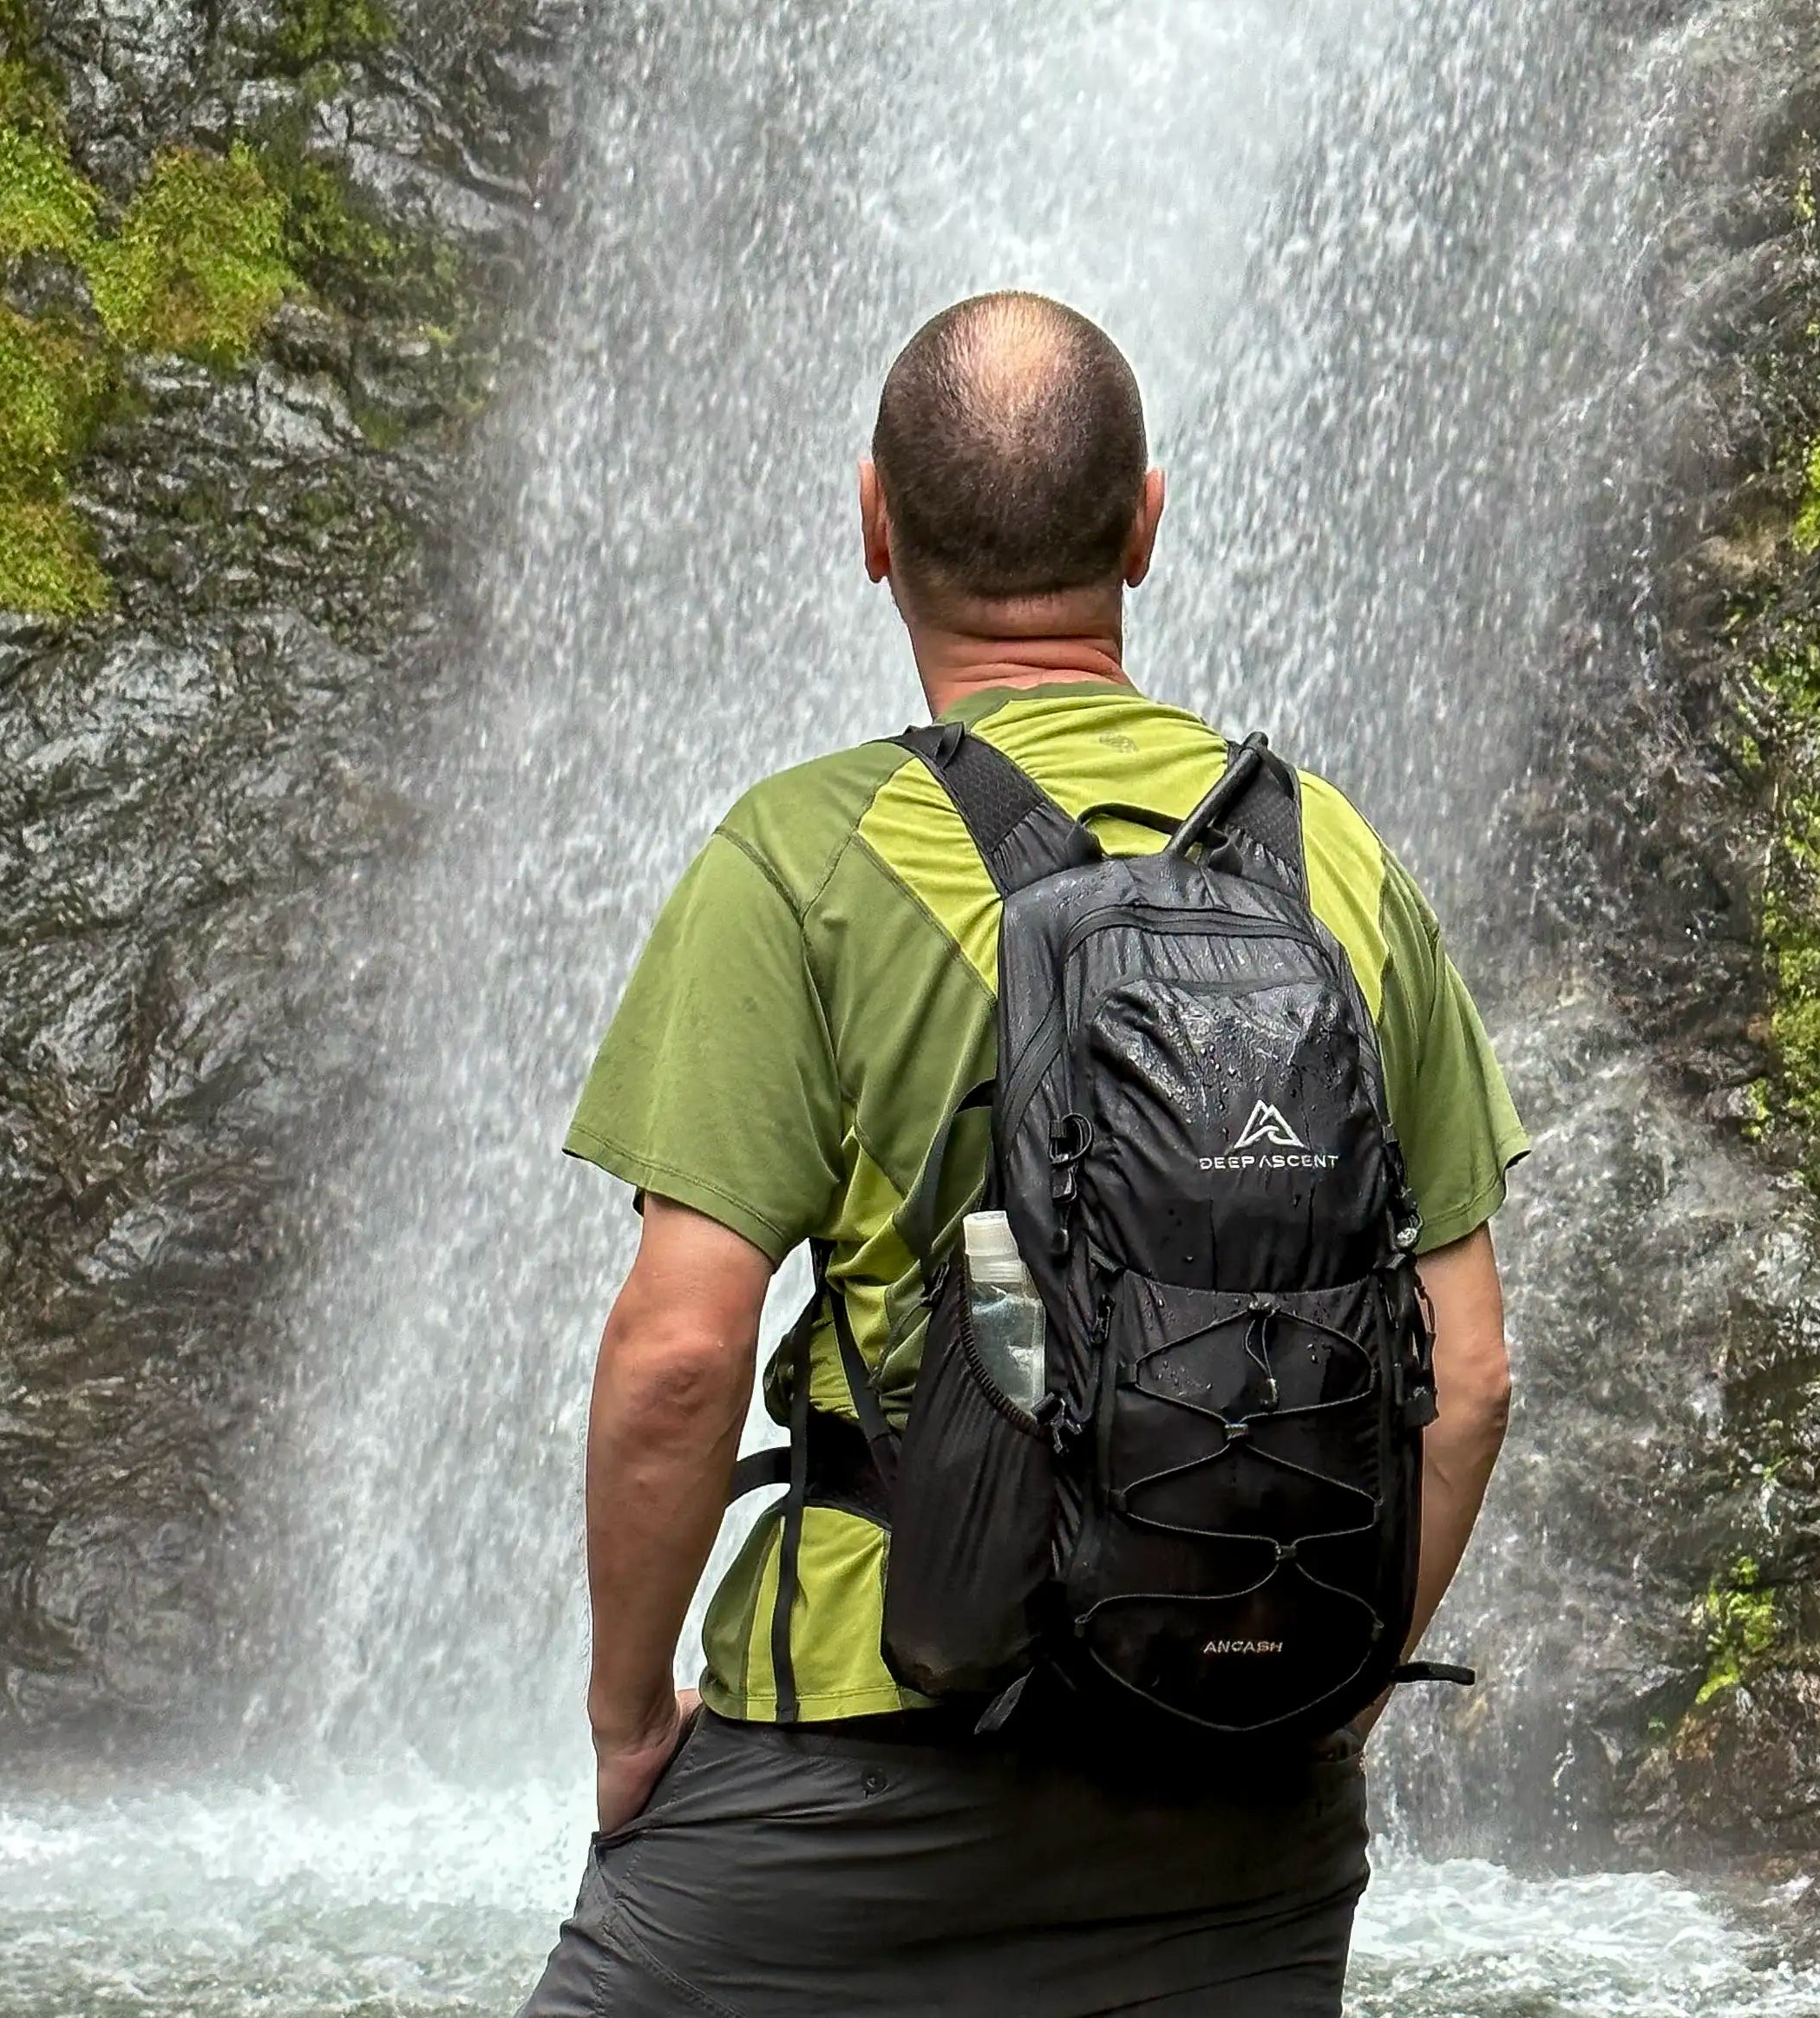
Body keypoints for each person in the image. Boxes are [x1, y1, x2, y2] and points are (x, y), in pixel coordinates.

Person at [520, 291, 1525, 2017]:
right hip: (1240, 1800)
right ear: (1144, 522)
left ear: (870, 526)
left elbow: (680, 1359)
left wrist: (626, 1719)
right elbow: (1475, 1373)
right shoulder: (1338, 859)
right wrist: (1322, 1700)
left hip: (857, 1744)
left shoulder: (799, 859)